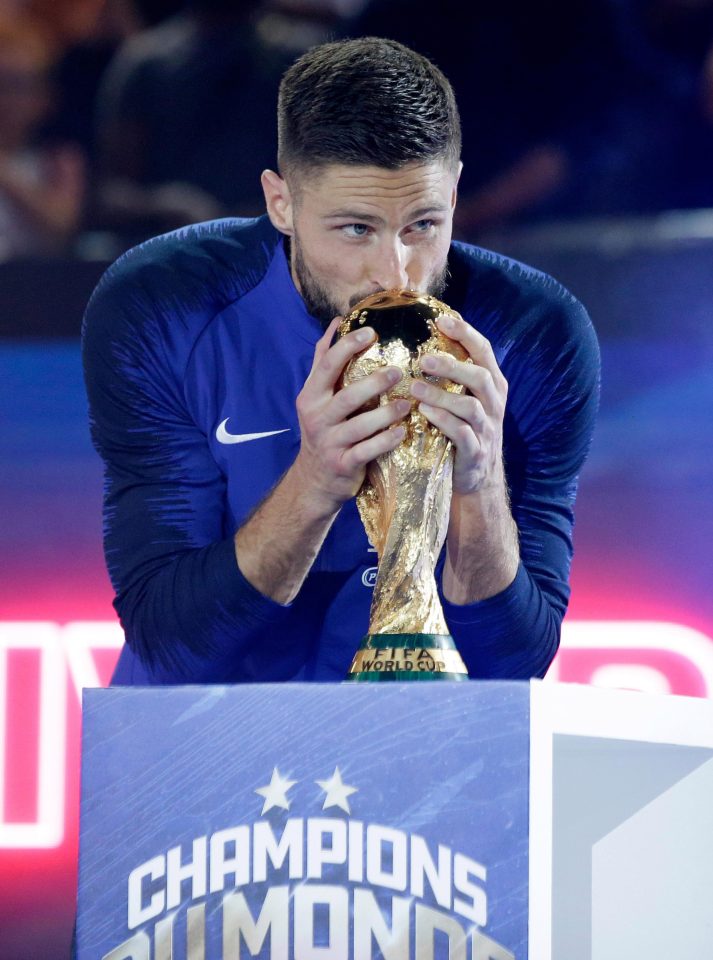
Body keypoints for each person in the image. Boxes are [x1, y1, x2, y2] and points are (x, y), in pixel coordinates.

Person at [82, 36, 600, 685]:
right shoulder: (166, 307)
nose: (394, 271)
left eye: (422, 225)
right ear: (281, 203)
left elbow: (515, 662)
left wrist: (478, 483)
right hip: (200, 750)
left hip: (419, 747)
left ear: (456, 188)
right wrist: (316, 481)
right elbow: (170, 642)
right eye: (355, 229)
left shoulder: (533, 334)